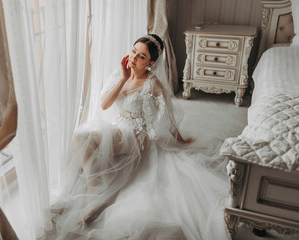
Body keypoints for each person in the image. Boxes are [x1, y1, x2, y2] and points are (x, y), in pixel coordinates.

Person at [52, 34, 230, 240]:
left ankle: (96, 193)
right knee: (80, 136)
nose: (134, 58)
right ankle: (95, 187)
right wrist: (123, 78)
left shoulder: (153, 85)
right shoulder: (120, 74)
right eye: (134, 51)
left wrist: (181, 140)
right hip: (118, 130)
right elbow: (104, 104)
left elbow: (169, 117)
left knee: (83, 139)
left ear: (151, 63)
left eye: (142, 56)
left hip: (135, 138)